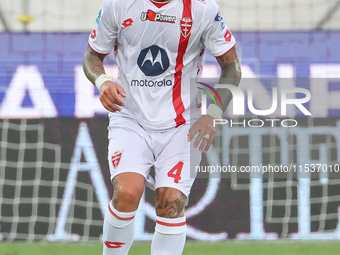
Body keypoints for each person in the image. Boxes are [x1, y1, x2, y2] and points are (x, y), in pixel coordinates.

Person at [83, 0, 241, 254]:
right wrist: (102, 81)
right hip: (130, 118)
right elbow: (92, 55)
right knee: (127, 193)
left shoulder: (203, 9)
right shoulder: (118, 5)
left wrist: (213, 114)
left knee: (170, 202)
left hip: (182, 125)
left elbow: (231, 66)